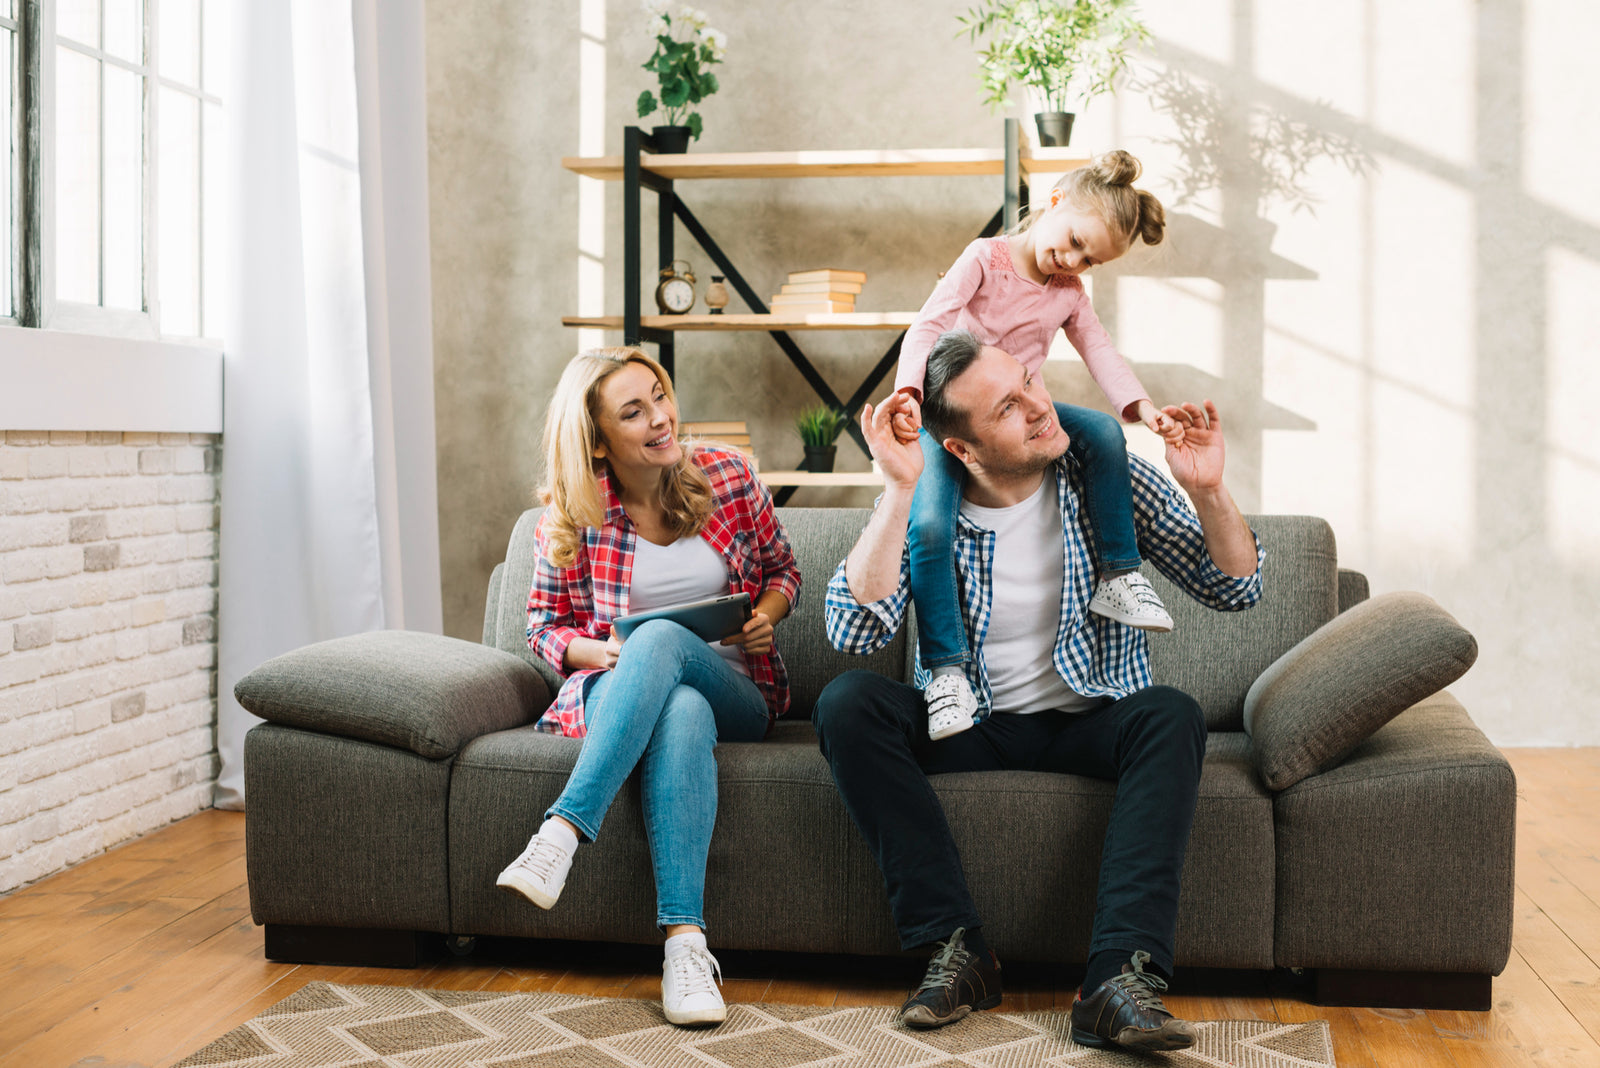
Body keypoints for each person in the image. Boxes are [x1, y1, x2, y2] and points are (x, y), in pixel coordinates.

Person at [815, 330, 1263, 1050]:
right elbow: (852, 631)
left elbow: (1236, 587)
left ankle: (1118, 982)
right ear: (961, 448)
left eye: (1030, 381)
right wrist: (898, 489)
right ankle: (958, 953)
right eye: (1007, 407)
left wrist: (1208, 488)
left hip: (1091, 718)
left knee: (1170, 714)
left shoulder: (1104, 478)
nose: (1038, 406)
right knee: (848, 703)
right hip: (971, 726)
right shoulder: (927, 504)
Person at [500, 347, 802, 1027]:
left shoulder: (726, 473)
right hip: (622, 686)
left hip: (736, 690)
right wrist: (599, 648)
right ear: (597, 437)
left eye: (660, 396)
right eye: (633, 412)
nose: (661, 418)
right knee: (676, 700)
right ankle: (685, 952)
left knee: (665, 642)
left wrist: (763, 618)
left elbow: (786, 572)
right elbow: (544, 629)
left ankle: (561, 833)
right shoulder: (577, 512)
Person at [892, 150, 1185, 742]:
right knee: (928, 525)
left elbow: (1100, 351)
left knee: (1102, 431)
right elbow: (930, 323)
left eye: (1090, 259)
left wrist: (1144, 408)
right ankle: (948, 673)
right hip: (956, 417)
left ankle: (1118, 577)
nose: (1073, 261)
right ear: (1055, 202)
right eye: (1075, 241)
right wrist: (908, 392)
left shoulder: (1069, 292)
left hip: (1023, 412)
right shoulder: (985, 258)